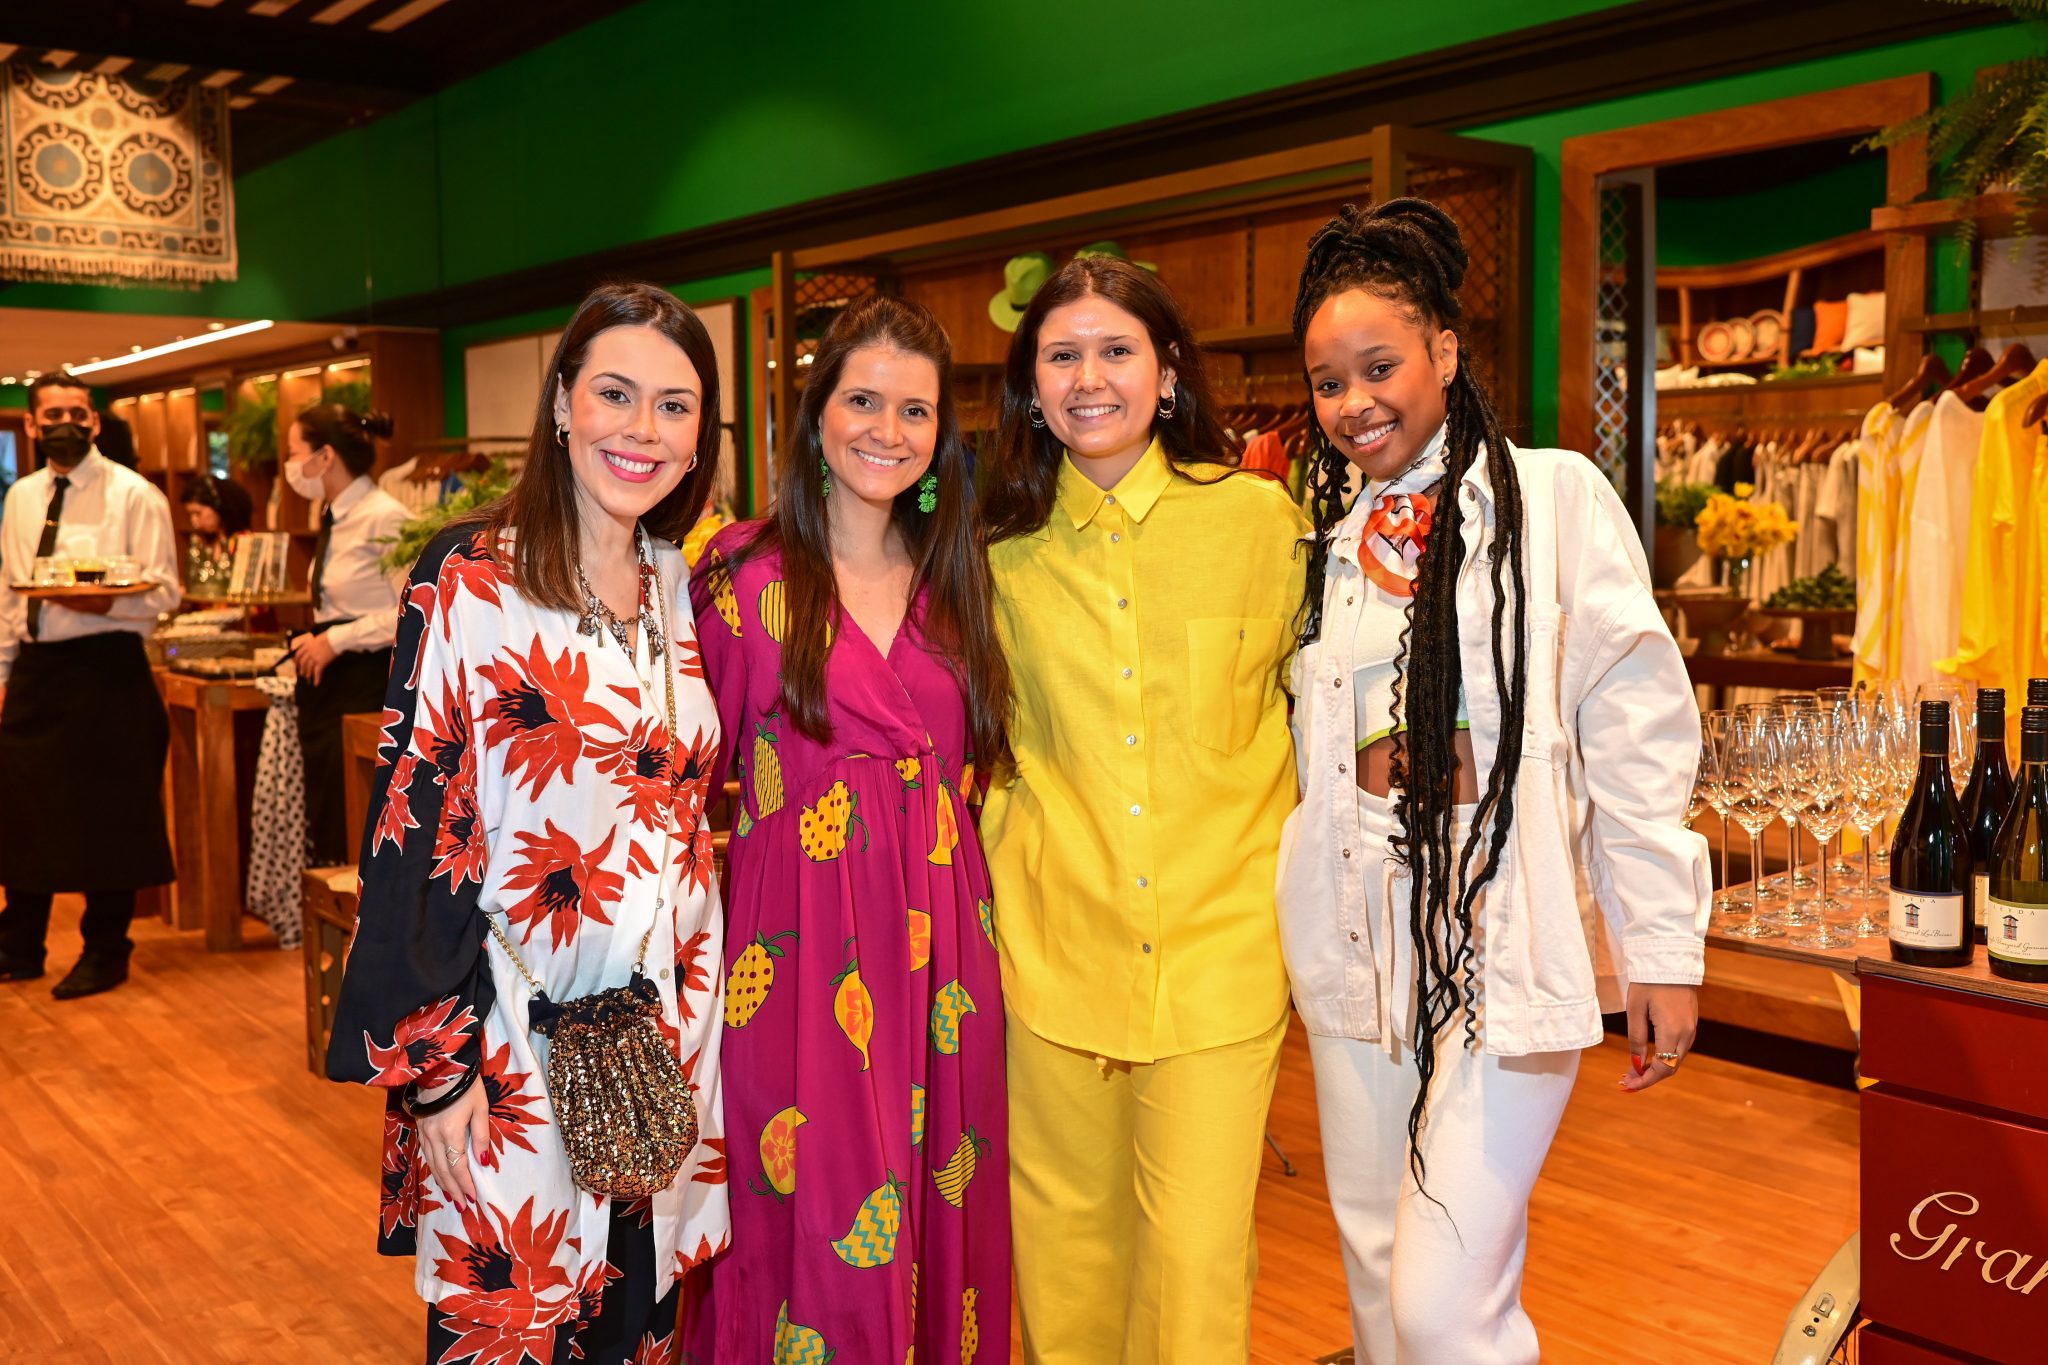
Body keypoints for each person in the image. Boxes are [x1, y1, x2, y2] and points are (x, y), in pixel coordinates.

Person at [1279, 199, 1708, 1364]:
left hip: (1496, 922)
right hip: (1357, 926)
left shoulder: (1551, 499)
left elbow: (1633, 724)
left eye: (1378, 367)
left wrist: (1659, 948)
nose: (1353, 402)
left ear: (1444, 351)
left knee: (1442, 1306)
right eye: (1327, 382)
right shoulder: (1324, 539)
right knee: (1377, 1274)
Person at [326, 281, 730, 1364]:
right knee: (513, 1322)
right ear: (561, 404)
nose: (642, 430)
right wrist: (438, 1068)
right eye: (614, 394)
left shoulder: (677, 582)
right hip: (511, 1035)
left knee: (637, 1323)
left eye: (675, 406)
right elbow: (414, 823)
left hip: (664, 1032)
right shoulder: (470, 578)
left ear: (701, 435)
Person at [979, 257, 1307, 1363]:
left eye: (1115, 350)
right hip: (1051, 953)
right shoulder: (994, 553)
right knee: (1063, 1267)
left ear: (1166, 373)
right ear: (1031, 388)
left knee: (1194, 1273)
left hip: (1220, 959)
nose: (1089, 378)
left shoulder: (1260, 522)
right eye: (1061, 356)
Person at [685, 297, 1011, 1363]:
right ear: (816, 413)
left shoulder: (959, 573)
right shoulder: (740, 576)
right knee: (805, 1218)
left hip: (944, 957)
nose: (887, 430)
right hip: (793, 957)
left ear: (940, 434)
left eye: (914, 410)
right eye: (862, 401)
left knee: (937, 1206)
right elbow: (682, 783)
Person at [0, 373, 181, 996]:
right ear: (31, 424)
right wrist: (3, 672)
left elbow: (164, 592)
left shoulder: (135, 495)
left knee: (111, 814)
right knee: (21, 811)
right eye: (52, 415)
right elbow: (8, 593)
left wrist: (98, 601)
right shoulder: (20, 496)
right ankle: (19, 944)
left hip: (108, 669)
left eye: (77, 414)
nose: (66, 425)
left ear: (95, 422)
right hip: (35, 670)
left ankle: (106, 949)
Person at [284, 405, 410, 866]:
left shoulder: (385, 518)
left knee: (353, 811)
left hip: (365, 678)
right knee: (326, 806)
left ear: (325, 457)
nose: (290, 466)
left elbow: (412, 611)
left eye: (294, 453)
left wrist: (336, 640)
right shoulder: (333, 514)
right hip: (328, 682)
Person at [179, 473, 254, 593]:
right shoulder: (200, 543)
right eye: (190, 514)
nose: (193, 521)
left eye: (198, 513)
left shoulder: (243, 541)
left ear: (218, 506)